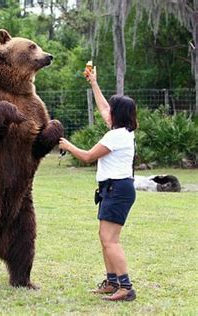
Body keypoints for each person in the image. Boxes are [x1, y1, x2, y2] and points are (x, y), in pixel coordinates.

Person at [59, 66, 138, 301]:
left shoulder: (115, 136)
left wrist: (67, 145)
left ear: (117, 114)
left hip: (118, 189)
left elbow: (87, 157)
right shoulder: (123, 130)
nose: (107, 110)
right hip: (112, 190)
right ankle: (112, 282)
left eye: (112, 109)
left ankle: (126, 287)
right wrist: (94, 82)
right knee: (105, 237)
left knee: (110, 240)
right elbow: (104, 107)